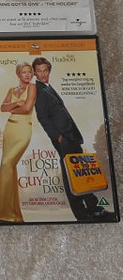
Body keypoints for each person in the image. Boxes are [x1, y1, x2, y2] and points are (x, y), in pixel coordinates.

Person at [32, 57, 113, 220]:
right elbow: (42, 118)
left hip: (71, 136)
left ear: (49, 70)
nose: (43, 74)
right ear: (34, 73)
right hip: (64, 138)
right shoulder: (39, 91)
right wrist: (58, 137)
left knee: (80, 173)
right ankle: (82, 214)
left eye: (45, 70)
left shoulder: (47, 88)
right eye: (39, 71)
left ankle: (94, 209)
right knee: (72, 175)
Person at [0, 62, 36, 223]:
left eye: (29, 72)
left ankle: (6, 213)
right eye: (24, 72)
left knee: (6, 164)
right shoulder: (12, 90)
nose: (27, 74)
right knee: (9, 167)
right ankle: (10, 214)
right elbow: (2, 108)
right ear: (18, 74)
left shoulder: (32, 87)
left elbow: (27, 108)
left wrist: (11, 107)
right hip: (9, 129)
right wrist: (16, 103)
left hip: (23, 130)